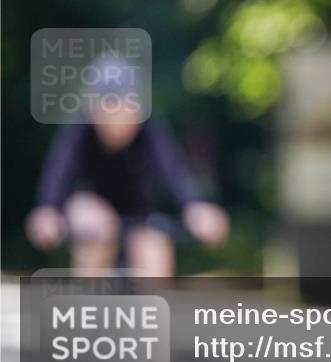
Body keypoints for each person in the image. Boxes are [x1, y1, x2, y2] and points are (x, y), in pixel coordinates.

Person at [25, 55, 229, 275]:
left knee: (155, 250)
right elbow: (58, 171)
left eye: (124, 107)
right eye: (109, 107)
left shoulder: (150, 128)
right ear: (93, 109)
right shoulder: (79, 131)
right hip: (91, 213)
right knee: (96, 226)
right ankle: (87, 300)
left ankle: (150, 307)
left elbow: (172, 170)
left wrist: (195, 207)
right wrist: (47, 209)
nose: (118, 119)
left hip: (139, 214)